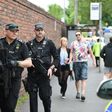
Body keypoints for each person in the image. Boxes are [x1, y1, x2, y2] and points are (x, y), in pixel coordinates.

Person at [26, 22, 59, 112]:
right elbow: (24, 58)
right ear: (34, 31)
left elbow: (56, 58)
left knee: (45, 97)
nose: (40, 32)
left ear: (44, 31)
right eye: (38, 30)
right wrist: (28, 62)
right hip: (32, 75)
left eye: (41, 30)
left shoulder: (49, 43)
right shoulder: (29, 44)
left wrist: (52, 68)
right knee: (32, 100)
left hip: (44, 75)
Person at [0, 23, 32, 112]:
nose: (15, 33)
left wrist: (16, 63)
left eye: (16, 31)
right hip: (1, 79)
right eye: (12, 31)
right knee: (3, 106)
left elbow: (29, 62)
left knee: (10, 107)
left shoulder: (22, 45)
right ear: (6, 31)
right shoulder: (0, 43)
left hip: (14, 80)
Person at [69, 31, 96, 102]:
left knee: (83, 78)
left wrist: (94, 61)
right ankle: (78, 92)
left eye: (79, 34)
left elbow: (90, 51)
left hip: (84, 62)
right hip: (76, 63)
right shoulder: (73, 43)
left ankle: (83, 94)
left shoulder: (87, 42)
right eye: (76, 35)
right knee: (77, 79)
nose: (77, 36)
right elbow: (71, 52)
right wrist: (70, 60)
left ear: (81, 35)